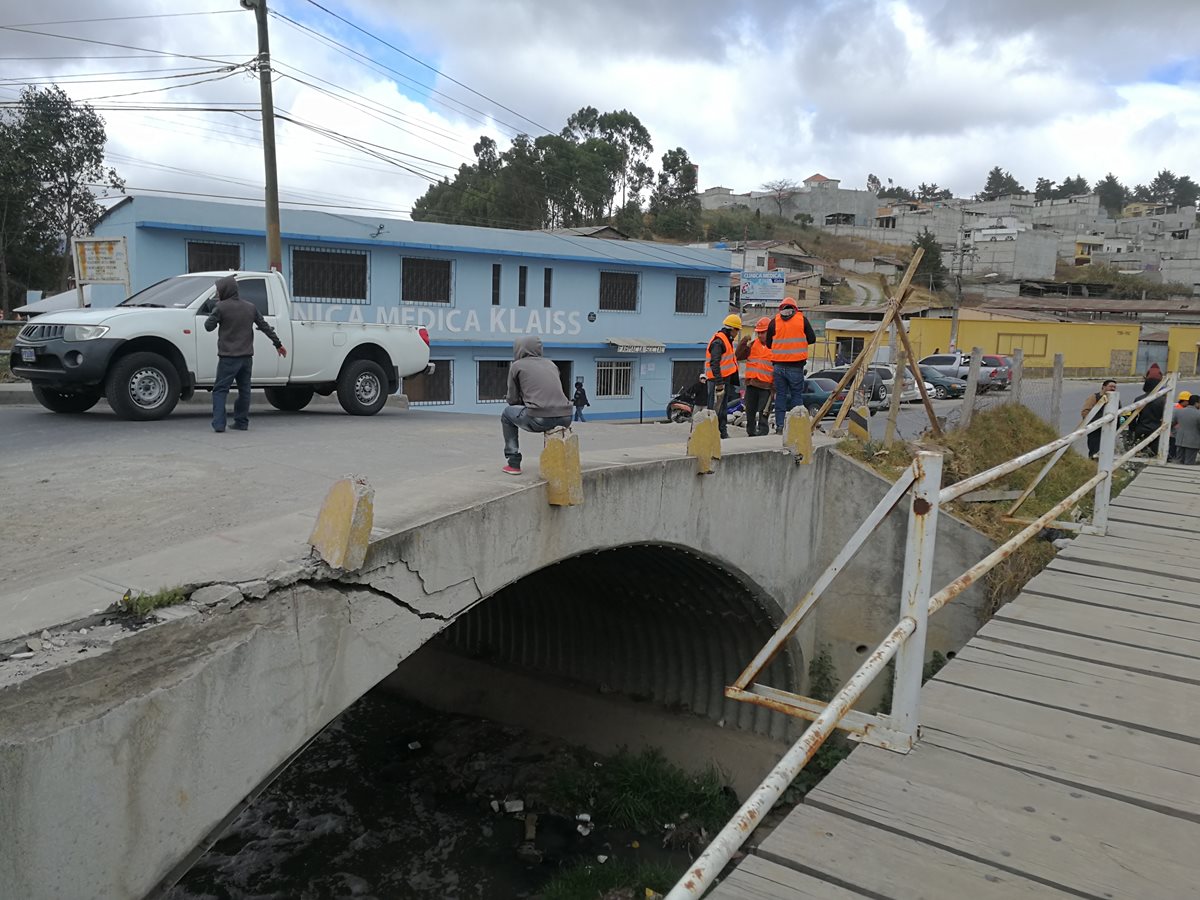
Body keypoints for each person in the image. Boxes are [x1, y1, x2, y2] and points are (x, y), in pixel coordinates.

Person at [204, 275, 286, 433]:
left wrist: (214, 310)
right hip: (246, 358)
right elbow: (265, 326)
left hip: (228, 358)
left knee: (220, 390)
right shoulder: (250, 307)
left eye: (219, 291)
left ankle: (219, 424)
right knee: (244, 390)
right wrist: (278, 344)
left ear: (225, 290)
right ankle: (241, 422)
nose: (218, 294)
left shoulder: (221, 307)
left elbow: (208, 326)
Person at [500, 336, 573, 475]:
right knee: (549, 418)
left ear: (518, 348)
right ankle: (555, 462)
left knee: (506, 415)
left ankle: (513, 462)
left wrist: (523, 401)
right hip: (566, 417)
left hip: (540, 419)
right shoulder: (551, 364)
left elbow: (512, 399)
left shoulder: (517, 365)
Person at [763, 298, 816, 433]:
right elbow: (812, 339)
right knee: (796, 396)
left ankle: (780, 426)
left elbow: (769, 344)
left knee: (780, 395)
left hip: (778, 367)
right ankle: (797, 426)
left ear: (781, 309)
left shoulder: (774, 322)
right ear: (795, 308)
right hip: (796, 366)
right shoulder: (802, 320)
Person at [737, 317, 775, 437]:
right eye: (758, 332)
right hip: (751, 383)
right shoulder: (752, 345)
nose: (760, 335)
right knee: (750, 410)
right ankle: (751, 432)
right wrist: (744, 341)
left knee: (764, 411)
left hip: (766, 386)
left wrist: (775, 387)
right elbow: (738, 355)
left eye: (763, 332)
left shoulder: (776, 347)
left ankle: (763, 432)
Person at [706, 314, 742, 439]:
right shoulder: (719, 341)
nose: (738, 333)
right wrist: (719, 382)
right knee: (716, 409)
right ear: (732, 329)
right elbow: (714, 363)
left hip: (723, 379)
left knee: (722, 408)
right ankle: (715, 432)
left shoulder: (726, 340)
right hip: (717, 381)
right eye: (737, 330)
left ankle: (721, 431)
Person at [1080, 379, 1117, 459]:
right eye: (1110, 386)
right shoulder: (1094, 397)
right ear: (1103, 387)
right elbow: (1085, 412)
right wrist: (1096, 423)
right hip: (1095, 430)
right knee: (1094, 451)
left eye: (1114, 387)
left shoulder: (1115, 399)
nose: (1113, 389)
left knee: (1106, 452)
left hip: (1109, 430)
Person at [1131, 375, 1167, 456]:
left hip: (1141, 428)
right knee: (1155, 453)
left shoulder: (1139, 399)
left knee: (1139, 453)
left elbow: (1133, 417)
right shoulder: (1163, 400)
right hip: (1157, 429)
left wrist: (1132, 428)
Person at [1173, 394, 1200, 465]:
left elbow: (1171, 424)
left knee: (1178, 461)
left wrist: (1174, 433)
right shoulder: (1198, 414)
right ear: (1196, 403)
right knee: (1189, 463)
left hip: (1179, 440)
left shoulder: (1178, 411)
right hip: (1193, 442)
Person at [1170, 391, 1191, 460]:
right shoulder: (1177, 410)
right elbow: (1172, 422)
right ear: (1184, 401)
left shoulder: (1177, 408)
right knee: (1173, 451)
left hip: (1178, 433)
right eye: (1188, 401)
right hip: (1175, 434)